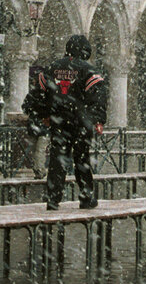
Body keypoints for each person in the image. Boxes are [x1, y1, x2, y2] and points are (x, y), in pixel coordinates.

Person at [39, 34, 108, 210]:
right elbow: (97, 98)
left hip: (59, 121)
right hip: (80, 122)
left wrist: (45, 114)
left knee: (57, 159)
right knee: (82, 159)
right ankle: (86, 197)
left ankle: (53, 198)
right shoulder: (89, 71)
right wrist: (98, 120)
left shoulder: (52, 68)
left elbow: (41, 92)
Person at [21, 61, 50, 179]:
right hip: (43, 126)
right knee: (40, 150)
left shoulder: (33, 94)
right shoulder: (48, 95)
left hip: (34, 126)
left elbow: (25, 107)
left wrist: (33, 112)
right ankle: (39, 170)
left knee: (35, 150)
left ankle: (38, 170)